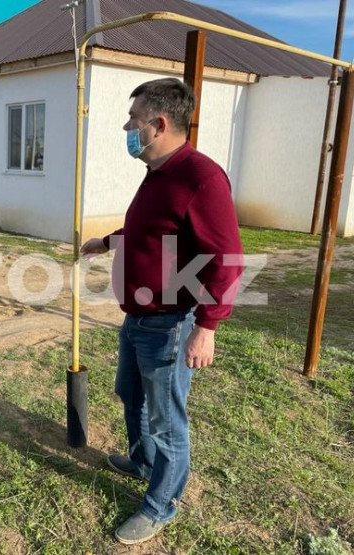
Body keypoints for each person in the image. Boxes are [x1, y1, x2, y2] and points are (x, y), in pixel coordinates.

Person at [81, 78, 243, 545]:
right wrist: (108, 241)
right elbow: (151, 230)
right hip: (138, 318)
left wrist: (207, 327)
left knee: (166, 419)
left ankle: (160, 503)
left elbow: (227, 259)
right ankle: (144, 462)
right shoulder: (158, 173)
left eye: (133, 120)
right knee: (130, 393)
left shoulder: (201, 177)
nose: (127, 128)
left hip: (171, 323)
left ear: (159, 124)